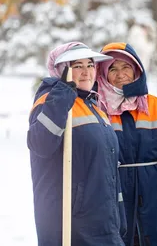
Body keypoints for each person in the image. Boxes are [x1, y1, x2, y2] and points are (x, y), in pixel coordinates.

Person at [96, 42, 157, 246]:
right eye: (112, 69)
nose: (120, 74)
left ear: (137, 70)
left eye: (126, 67)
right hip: (115, 198)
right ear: (103, 74)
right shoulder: (96, 109)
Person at [27, 42, 126, 245]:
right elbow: (40, 144)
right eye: (77, 66)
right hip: (71, 225)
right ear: (62, 70)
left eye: (90, 65)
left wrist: (119, 215)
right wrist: (62, 96)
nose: (86, 72)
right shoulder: (49, 101)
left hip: (104, 222)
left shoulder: (95, 107)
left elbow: (109, 169)